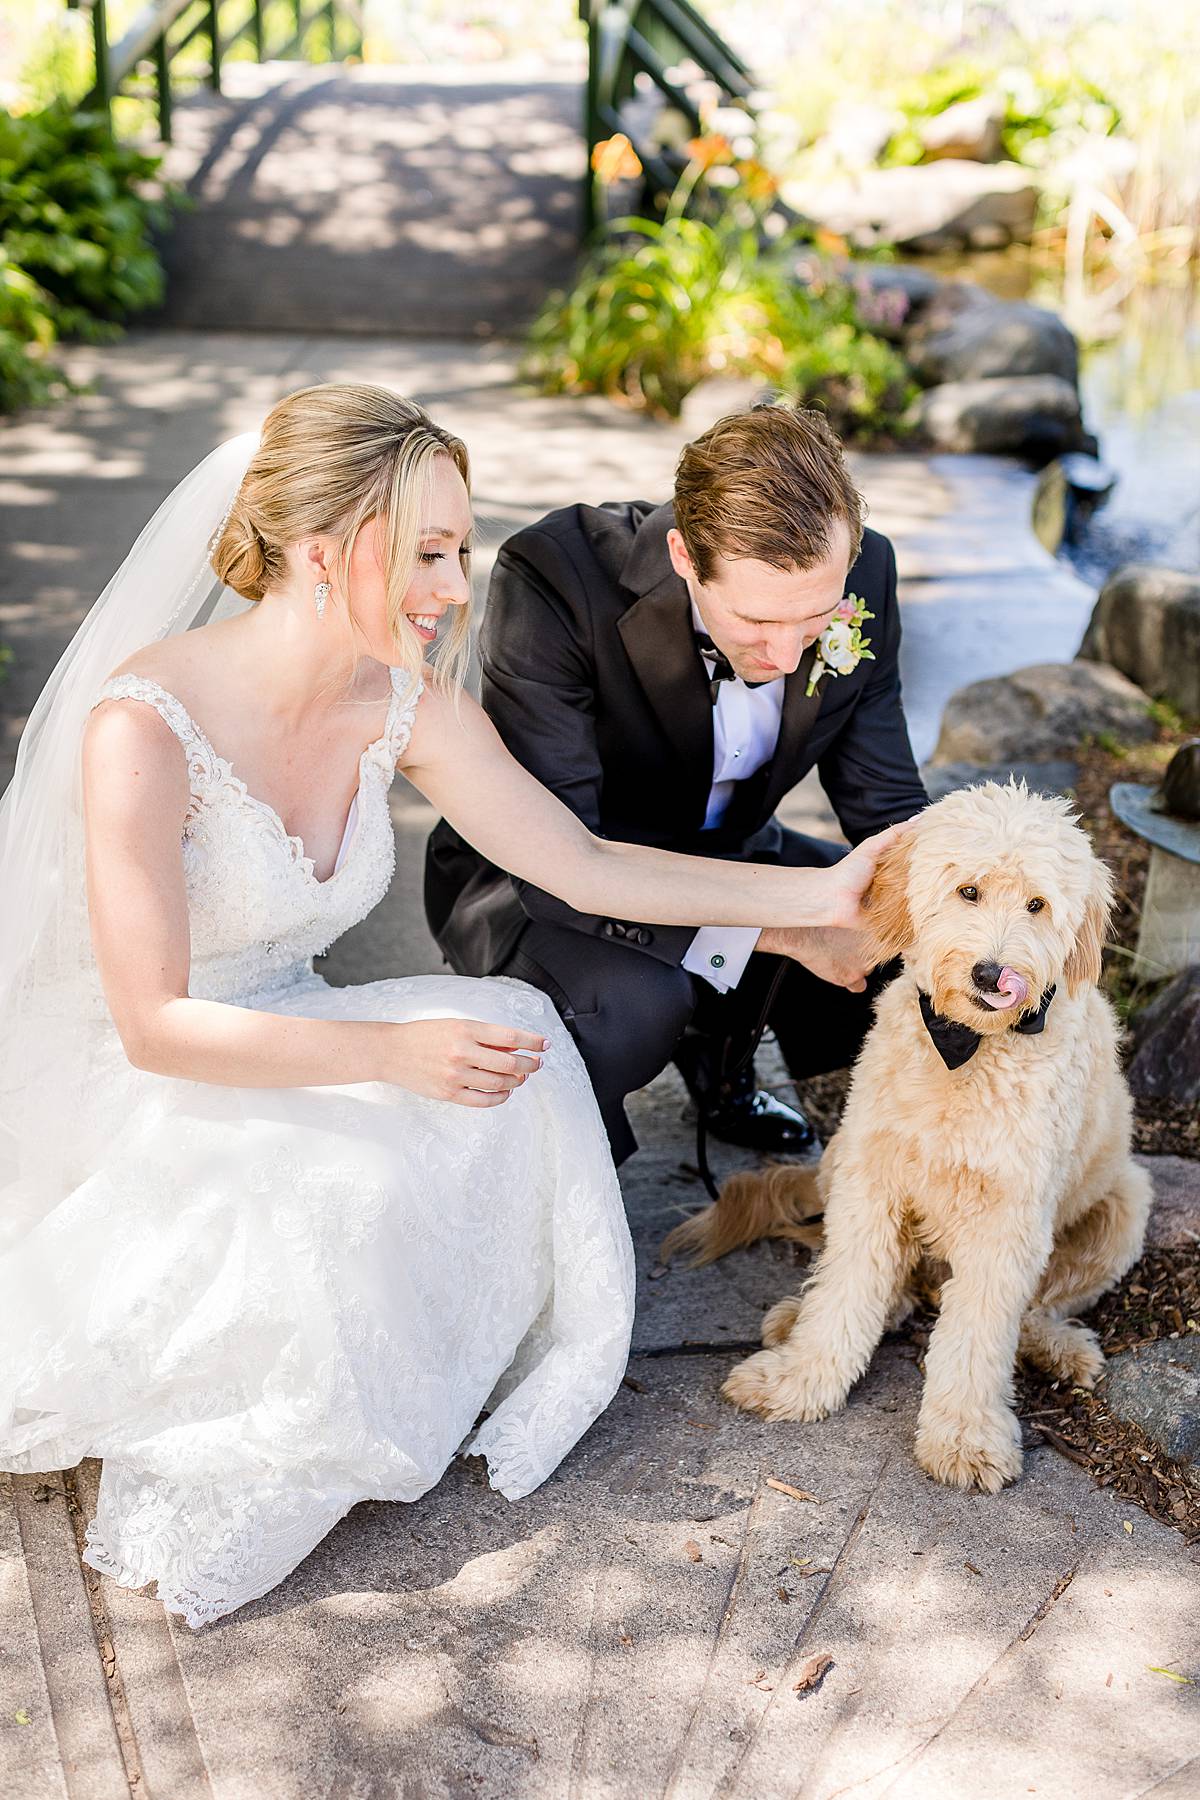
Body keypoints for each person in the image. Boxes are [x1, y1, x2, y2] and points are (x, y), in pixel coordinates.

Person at [0, 384, 905, 1629]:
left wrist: (813, 904)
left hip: (295, 1016)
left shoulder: (405, 701)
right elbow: (156, 1024)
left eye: (460, 549)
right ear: (325, 553)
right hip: (162, 1068)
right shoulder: (143, 727)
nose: (454, 585)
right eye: (428, 552)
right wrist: (386, 1050)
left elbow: (583, 863)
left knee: (517, 1047)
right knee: (362, 1185)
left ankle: (459, 1339)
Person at [425, 402, 930, 1166]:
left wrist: (977, 909)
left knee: (905, 947)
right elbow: (563, 864)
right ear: (685, 557)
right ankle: (546, 1180)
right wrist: (785, 930)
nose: (790, 656)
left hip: (736, 851)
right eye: (757, 622)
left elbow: (886, 804)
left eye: (816, 619)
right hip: (548, 883)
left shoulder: (868, 571)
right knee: (637, 1002)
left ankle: (852, 1165)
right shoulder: (558, 579)